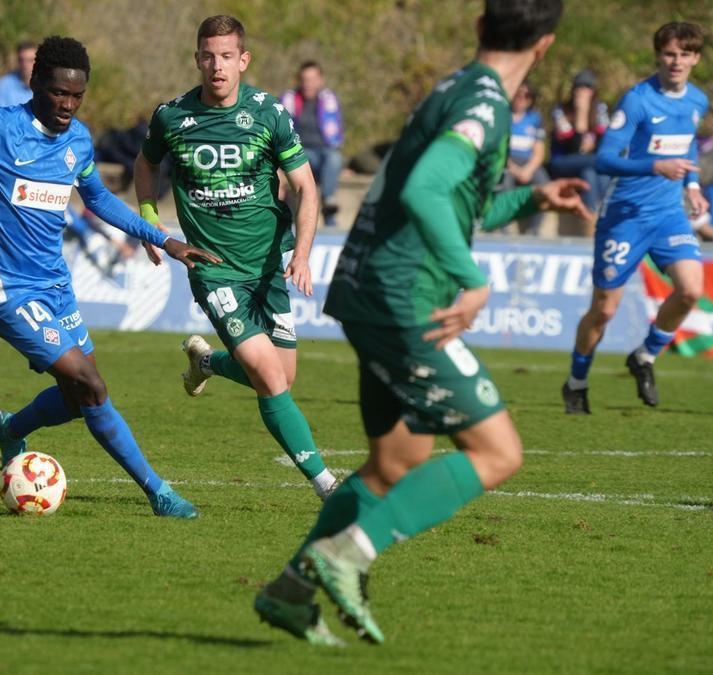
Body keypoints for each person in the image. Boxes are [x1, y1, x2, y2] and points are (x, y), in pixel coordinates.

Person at [254, 0, 590, 646]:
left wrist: (530, 196)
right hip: (404, 299)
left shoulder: (454, 88)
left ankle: (292, 589)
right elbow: (426, 191)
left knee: (395, 463)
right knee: (498, 451)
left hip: (365, 290)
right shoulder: (488, 102)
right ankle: (347, 553)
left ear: (478, 28)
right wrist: (476, 276)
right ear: (544, 46)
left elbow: (451, 203)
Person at [0, 36, 220, 518]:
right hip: (6, 290)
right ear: (37, 82)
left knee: (78, 393)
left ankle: (11, 427)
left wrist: (162, 238)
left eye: (77, 95)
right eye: (58, 92)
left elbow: (97, 199)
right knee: (92, 386)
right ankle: (157, 492)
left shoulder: (78, 139)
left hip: (55, 285)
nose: (67, 105)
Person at [133, 16, 341, 502]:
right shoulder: (172, 116)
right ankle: (327, 485)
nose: (216, 65)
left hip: (270, 265)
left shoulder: (269, 114)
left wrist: (303, 256)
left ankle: (206, 362)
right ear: (197, 59)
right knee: (270, 379)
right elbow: (146, 165)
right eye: (208, 55)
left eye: (226, 56)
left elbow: (307, 188)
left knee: (283, 375)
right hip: (214, 268)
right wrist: (151, 222)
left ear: (243, 60)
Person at [562, 22, 709, 413]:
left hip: (668, 215)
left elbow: (688, 146)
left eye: (685, 54)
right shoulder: (638, 101)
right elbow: (605, 158)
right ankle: (576, 380)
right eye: (669, 53)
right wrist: (654, 166)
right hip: (625, 215)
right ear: (658, 55)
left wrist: (692, 186)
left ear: (696, 58)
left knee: (692, 289)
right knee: (604, 309)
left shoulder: (697, 101)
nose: (676, 62)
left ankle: (644, 356)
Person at [280, 61, 344, 226]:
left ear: (320, 80)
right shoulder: (288, 100)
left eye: (312, 79)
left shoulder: (330, 101)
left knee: (334, 158)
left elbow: (337, 134)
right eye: (304, 79)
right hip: (300, 152)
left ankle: (329, 207)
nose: (308, 83)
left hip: (325, 152)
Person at [548, 68, 609, 212]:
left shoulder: (600, 110)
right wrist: (581, 113)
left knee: (589, 173)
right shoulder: (560, 111)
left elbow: (606, 141)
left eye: (587, 87)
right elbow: (572, 147)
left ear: (593, 91)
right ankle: (607, 208)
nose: (582, 90)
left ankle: (592, 212)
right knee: (604, 162)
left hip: (589, 163)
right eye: (579, 86)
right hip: (562, 162)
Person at [500, 80, 550, 234]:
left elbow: (539, 151)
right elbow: (499, 150)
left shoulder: (535, 118)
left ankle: (534, 230)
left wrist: (528, 170)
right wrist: (513, 169)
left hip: (529, 163)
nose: (521, 98)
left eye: (526, 95)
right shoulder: (502, 116)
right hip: (506, 163)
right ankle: (504, 226)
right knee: (504, 182)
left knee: (545, 184)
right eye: (518, 94)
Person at [0, 41, 36, 108]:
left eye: (30, 60)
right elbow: (0, 115)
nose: (25, 65)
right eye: (21, 60)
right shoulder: (3, 85)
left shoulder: (48, 85)